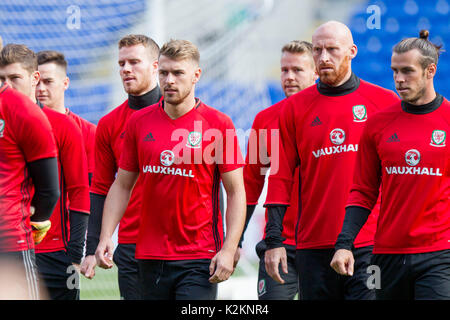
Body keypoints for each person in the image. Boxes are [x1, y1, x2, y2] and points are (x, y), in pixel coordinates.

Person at [95, 39, 246, 300]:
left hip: (198, 257)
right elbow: (122, 185)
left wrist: (230, 247)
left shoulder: (218, 124)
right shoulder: (139, 123)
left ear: (196, 75)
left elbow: (235, 191)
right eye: (164, 73)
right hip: (148, 255)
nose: (169, 80)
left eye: (178, 73)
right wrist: (106, 235)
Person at [263, 20, 399, 300]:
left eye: (332, 50)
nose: (324, 58)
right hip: (314, 245)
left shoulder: (384, 103)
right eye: (317, 50)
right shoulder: (292, 109)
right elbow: (279, 177)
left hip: (369, 243)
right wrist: (274, 241)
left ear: (352, 51)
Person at [331, 30, 450, 300]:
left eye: (407, 71)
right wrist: (344, 244)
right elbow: (363, 191)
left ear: (430, 70)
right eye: (395, 71)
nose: (398, 79)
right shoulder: (377, 124)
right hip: (385, 255)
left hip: (438, 254)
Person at [0, 44, 90, 300]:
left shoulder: (63, 125)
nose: (7, 85)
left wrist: (74, 255)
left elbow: (79, 191)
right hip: (14, 245)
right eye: (2, 79)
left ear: (33, 78)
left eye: (14, 78)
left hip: (55, 252)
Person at [80, 34, 162, 300]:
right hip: (131, 247)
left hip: (182, 248)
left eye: (134, 62)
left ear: (155, 66)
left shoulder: (188, 117)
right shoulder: (109, 124)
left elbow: (211, 182)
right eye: (121, 63)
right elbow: (101, 187)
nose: (126, 69)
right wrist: (93, 246)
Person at [241, 40, 317, 300]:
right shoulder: (265, 119)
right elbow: (251, 184)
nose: (289, 77)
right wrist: (236, 240)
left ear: (316, 72)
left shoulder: (334, 116)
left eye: (298, 70)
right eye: (284, 70)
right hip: (279, 242)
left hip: (324, 244)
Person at [0, 40, 60, 300]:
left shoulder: (24, 112)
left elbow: (49, 191)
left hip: (9, 241)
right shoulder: (22, 110)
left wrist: (35, 222)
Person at [36, 50, 96, 184]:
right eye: (36, 82)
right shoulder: (20, 128)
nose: (40, 88)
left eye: (48, 81)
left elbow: (93, 188)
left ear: (65, 83)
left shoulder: (88, 132)